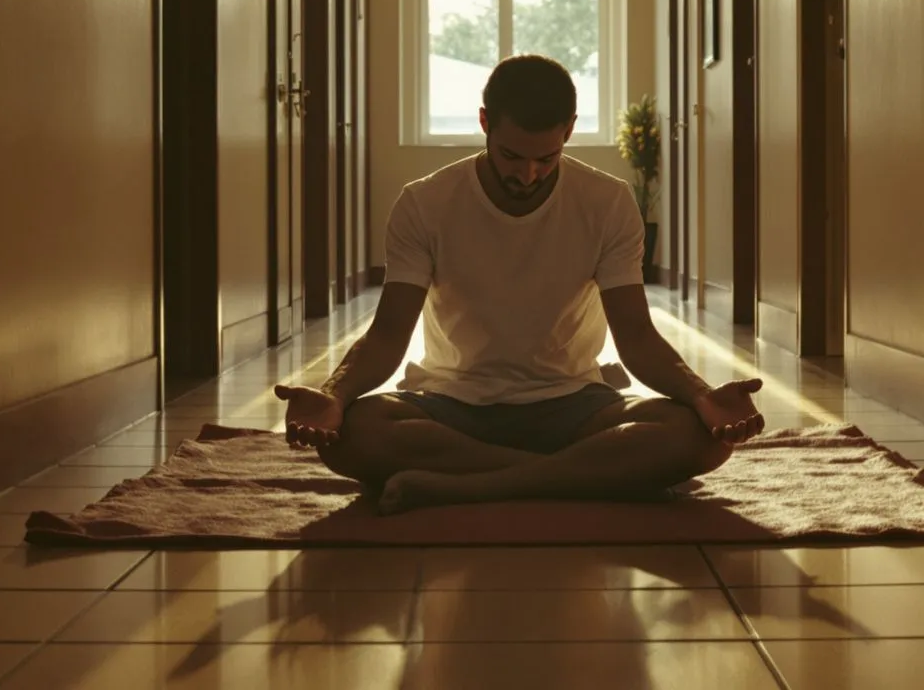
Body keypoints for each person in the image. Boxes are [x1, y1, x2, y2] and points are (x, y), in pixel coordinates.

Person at [275, 54, 765, 515]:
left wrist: (702, 396)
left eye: (546, 159)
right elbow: (387, 335)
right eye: (511, 156)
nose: (527, 175)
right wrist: (335, 397)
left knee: (696, 435)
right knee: (357, 432)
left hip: (574, 405)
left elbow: (635, 336)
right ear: (485, 123)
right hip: (453, 404)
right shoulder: (424, 204)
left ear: (569, 131)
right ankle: (577, 479)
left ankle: (472, 485)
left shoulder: (608, 203)